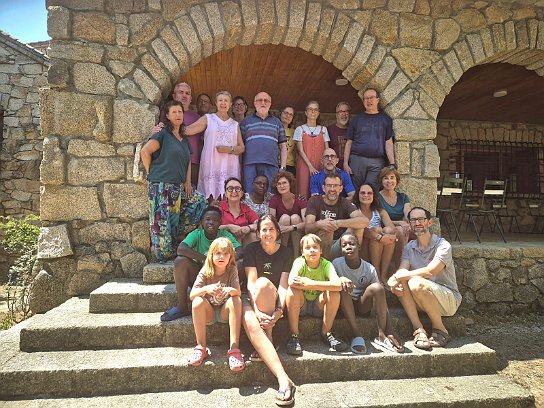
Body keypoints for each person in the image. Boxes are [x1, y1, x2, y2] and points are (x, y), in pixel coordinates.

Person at [387, 207, 462, 350]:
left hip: (447, 300)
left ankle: (440, 329)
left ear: (429, 222)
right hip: (421, 299)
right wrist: (396, 280)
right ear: (409, 224)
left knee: (415, 282)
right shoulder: (409, 247)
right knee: (402, 282)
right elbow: (402, 269)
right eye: (413, 220)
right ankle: (419, 329)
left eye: (421, 219)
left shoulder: (443, 245)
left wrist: (396, 276)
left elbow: (430, 271)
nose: (417, 223)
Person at [141, 100, 206, 261]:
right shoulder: (162, 133)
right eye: (174, 112)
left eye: (180, 112)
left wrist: (187, 182)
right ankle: (164, 255)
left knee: (199, 201)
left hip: (178, 185)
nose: (178, 114)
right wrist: (151, 174)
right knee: (161, 221)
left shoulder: (183, 138)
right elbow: (145, 152)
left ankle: (176, 239)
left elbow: (188, 161)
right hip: (160, 184)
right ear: (168, 116)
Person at [242, 214, 296, 406]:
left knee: (264, 284)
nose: (267, 233)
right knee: (250, 320)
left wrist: (279, 310)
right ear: (258, 233)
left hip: (273, 297)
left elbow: (283, 285)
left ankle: (269, 333)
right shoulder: (251, 249)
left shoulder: (286, 252)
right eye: (263, 229)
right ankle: (284, 380)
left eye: (271, 229)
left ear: (278, 232)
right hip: (250, 297)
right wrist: (256, 311)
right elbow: (251, 283)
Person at [160, 206, 243, 321]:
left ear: (220, 223)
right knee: (180, 261)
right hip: (201, 278)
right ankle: (182, 306)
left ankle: (230, 300)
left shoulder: (224, 235)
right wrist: (207, 259)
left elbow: (240, 251)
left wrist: (224, 262)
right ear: (201, 222)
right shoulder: (197, 234)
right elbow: (181, 249)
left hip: (223, 279)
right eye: (208, 219)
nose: (211, 222)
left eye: (215, 220)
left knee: (241, 263)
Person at [333, 233, 403, 354]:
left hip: (362, 305)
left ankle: (382, 335)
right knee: (342, 288)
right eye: (344, 245)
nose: (348, 247)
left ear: (359, 246)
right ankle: (357, 334)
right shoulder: (336, 264)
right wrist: (340, 279)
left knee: (378, 288)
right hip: (343, 305)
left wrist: (390, 330)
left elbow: (381, 300)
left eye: (352, 244)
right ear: (341, 249)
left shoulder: (369, 268)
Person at [188, 237, 245, 371]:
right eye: (218, 253)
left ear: (230, 256)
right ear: (211, 255)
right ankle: (201, 347)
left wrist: (229, 290)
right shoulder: (206, 270)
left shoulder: (232, 269)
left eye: (225, 254)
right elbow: (192, 295)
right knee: (197, 301)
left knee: (236, 299)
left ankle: (234, 349)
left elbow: (238, 292)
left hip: (225, 312)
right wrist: (206, 289)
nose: (221, 257)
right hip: (209, 313)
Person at [285, 233, 347, 355]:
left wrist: (310, 284)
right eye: (307, 248)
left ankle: (326, 333)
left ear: (321, 250)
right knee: (292, 291)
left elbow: (338, 285)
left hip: (318, 305)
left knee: (334, 293)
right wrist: (320, 285)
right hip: (301, 305)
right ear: (302, 252)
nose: (312, 250)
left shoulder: (326, 264)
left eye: (315, 247)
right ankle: (294, 335)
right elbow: (291, 281)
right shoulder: (299, 262)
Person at [185, 91, 245, 201]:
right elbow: (188, 130)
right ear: (216, 103)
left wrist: (228, 149)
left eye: (226, 101)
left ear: (230, 104)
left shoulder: (234, 124)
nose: (223, 103)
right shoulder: (208, 118)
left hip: (229, 166)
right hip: (211, 164)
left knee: (228, 197)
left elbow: (241, 148)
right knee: (209, 198)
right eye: (220, 100)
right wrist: (167, 126)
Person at [305, 173, 368, 260]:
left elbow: (364, 221)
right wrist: (318, 224)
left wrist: (337, 223)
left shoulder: (345, 202)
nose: (332, 189)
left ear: (341, 188)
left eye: (335, 186)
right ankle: (325, 264)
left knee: (358, 227)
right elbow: (307, 228)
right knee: (328, 228)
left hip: (340, 244)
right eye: (329, 185)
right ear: (323, 188)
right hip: (320, 247)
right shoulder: (314, 200)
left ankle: (352, 262)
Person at [344, 88, 396, 191]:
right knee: (356, 192)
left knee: (371, 192)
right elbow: (349, 142)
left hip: (377, 163)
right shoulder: (356, 119)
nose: (369, 101)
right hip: (357, 161)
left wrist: (392, 163)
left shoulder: (385, 120)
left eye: (371, 98)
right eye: (366, 98)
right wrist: (345, 163)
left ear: (377, 100)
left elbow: (388, 142)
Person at [152, 82, 203, 186]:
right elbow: (159, 132)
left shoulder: (198, 118)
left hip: (192, 163)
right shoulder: (165, 114)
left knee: (191, 193)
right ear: (174, 96)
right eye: (181, 92)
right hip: (170, 161)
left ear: (191, 98)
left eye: (187, 93)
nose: (184, 95)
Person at [240, 91, 287, 193]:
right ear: (254, 103)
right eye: (260, 100)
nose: (263, 103)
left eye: (266, 101)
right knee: (249, 193)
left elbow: (283, 146)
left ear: (270, 104)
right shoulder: (245, 122)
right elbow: (240, 145)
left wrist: (283, 167)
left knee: (270, 194)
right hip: (250, 164)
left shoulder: (277, 122)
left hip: (271, 164)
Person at [353, 183, 397, 285]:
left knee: (388, 230)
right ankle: (376, 274)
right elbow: (362, 229)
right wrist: (379, 236)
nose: (366, 195)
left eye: (369, 193)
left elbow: (393, 229)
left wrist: (387, 235)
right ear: (358, 195)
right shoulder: (354, 210)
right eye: (363, 193)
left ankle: (383, 274)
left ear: (374, 196)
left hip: (378, 247)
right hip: (362, 247)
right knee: (377, 229)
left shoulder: (379, 211)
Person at [377, 167, 414, 266]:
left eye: (392, 177)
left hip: (403, 226)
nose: (389, 181)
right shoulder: (377, 197)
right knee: (401, 231)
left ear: (397, 180)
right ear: (381, 181)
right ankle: (400, 267)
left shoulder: (403, 197)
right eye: (385, 178)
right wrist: (400, 223)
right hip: (386, 227)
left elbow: (408, 213)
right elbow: (381, 219)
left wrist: (408, 221)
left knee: (420, 231)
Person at [294, 100, 330, 198]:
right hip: (304, 165)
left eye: (315, 109)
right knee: (303, 190)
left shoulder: (323, 129)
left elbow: (327, 150)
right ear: (306, 112)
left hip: (320, 165)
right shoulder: (299, 129)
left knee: (320, 191)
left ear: (318, 113)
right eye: (310, 109)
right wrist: (310, 166)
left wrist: (328, 164)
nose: (313, 112)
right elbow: (300, 150)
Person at [269, 170, 306, 257]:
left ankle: (296, 255)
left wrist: (290, 228)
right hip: (281, 229)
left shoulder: (299, 199)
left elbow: (307, 223)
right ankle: (283, 253)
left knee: (295, 217)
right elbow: (271, 220)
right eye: (279, 184)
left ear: (290, 184)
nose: (282, 186)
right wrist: (281, 227)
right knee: (285, 217)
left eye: (284, 183)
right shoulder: (274, 199)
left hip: (296, 230)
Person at [219, 177, 258, 246]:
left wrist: (248, 228)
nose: (234, 191)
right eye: (230, 188)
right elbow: (211, 227)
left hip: (243, 244)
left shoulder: (245, 209)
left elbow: (259, 223)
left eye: (237, 188)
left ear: (242, 193)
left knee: (252, 235)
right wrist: (228, 227)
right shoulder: (219, 208)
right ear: (225, 193)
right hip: (224, 244)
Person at [279, 106, 296, 175]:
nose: (288, 116)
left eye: (291, 114)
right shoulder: (274, 129)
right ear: (280, 114)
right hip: (275, 164)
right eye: (286, 113)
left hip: (289, 165)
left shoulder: (294, 132)